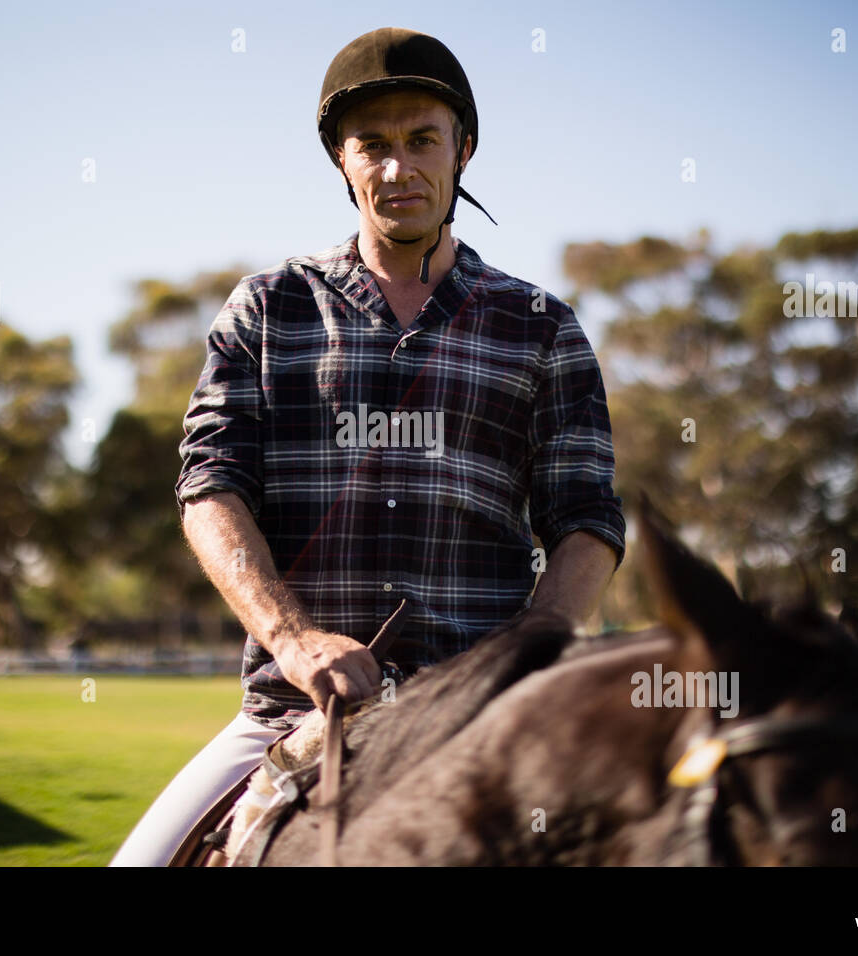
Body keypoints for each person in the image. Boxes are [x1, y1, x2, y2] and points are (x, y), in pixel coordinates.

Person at [109, 26, 625, 867]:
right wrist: (293, 639)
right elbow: (210, 486)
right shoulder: (267, 309)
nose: (398, 168)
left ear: (463, 150)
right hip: (295, 714)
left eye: (422, 139)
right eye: (372, 146)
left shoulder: (541, 328)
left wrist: (536, 651)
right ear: (341, 163)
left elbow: (587, 515)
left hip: (484, 722)